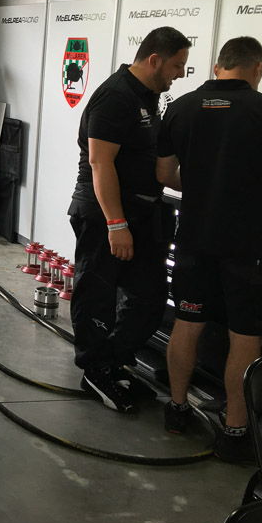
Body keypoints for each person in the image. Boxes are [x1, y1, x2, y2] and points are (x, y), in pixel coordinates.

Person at [157, 36, 262, 462]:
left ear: (218, 66)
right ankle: (235, 430)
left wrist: (199, 189)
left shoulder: (180, 107)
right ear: (257, 68)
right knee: (245, 337)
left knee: (187, 321)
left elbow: (163, 172)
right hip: (247, 244)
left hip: (195, 236)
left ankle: (177, 409)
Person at [68, 26, 190, 413]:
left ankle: (113, 361)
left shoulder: (150, 98)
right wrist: (116, 224)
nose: (180, 73)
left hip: (144, 212)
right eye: (176, 65)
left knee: (150, 299)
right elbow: (100, 162)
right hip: (105, 214)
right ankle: (95, 370)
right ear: (154, 59)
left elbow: (159, 167)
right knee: (98, 295)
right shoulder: (115, 96)